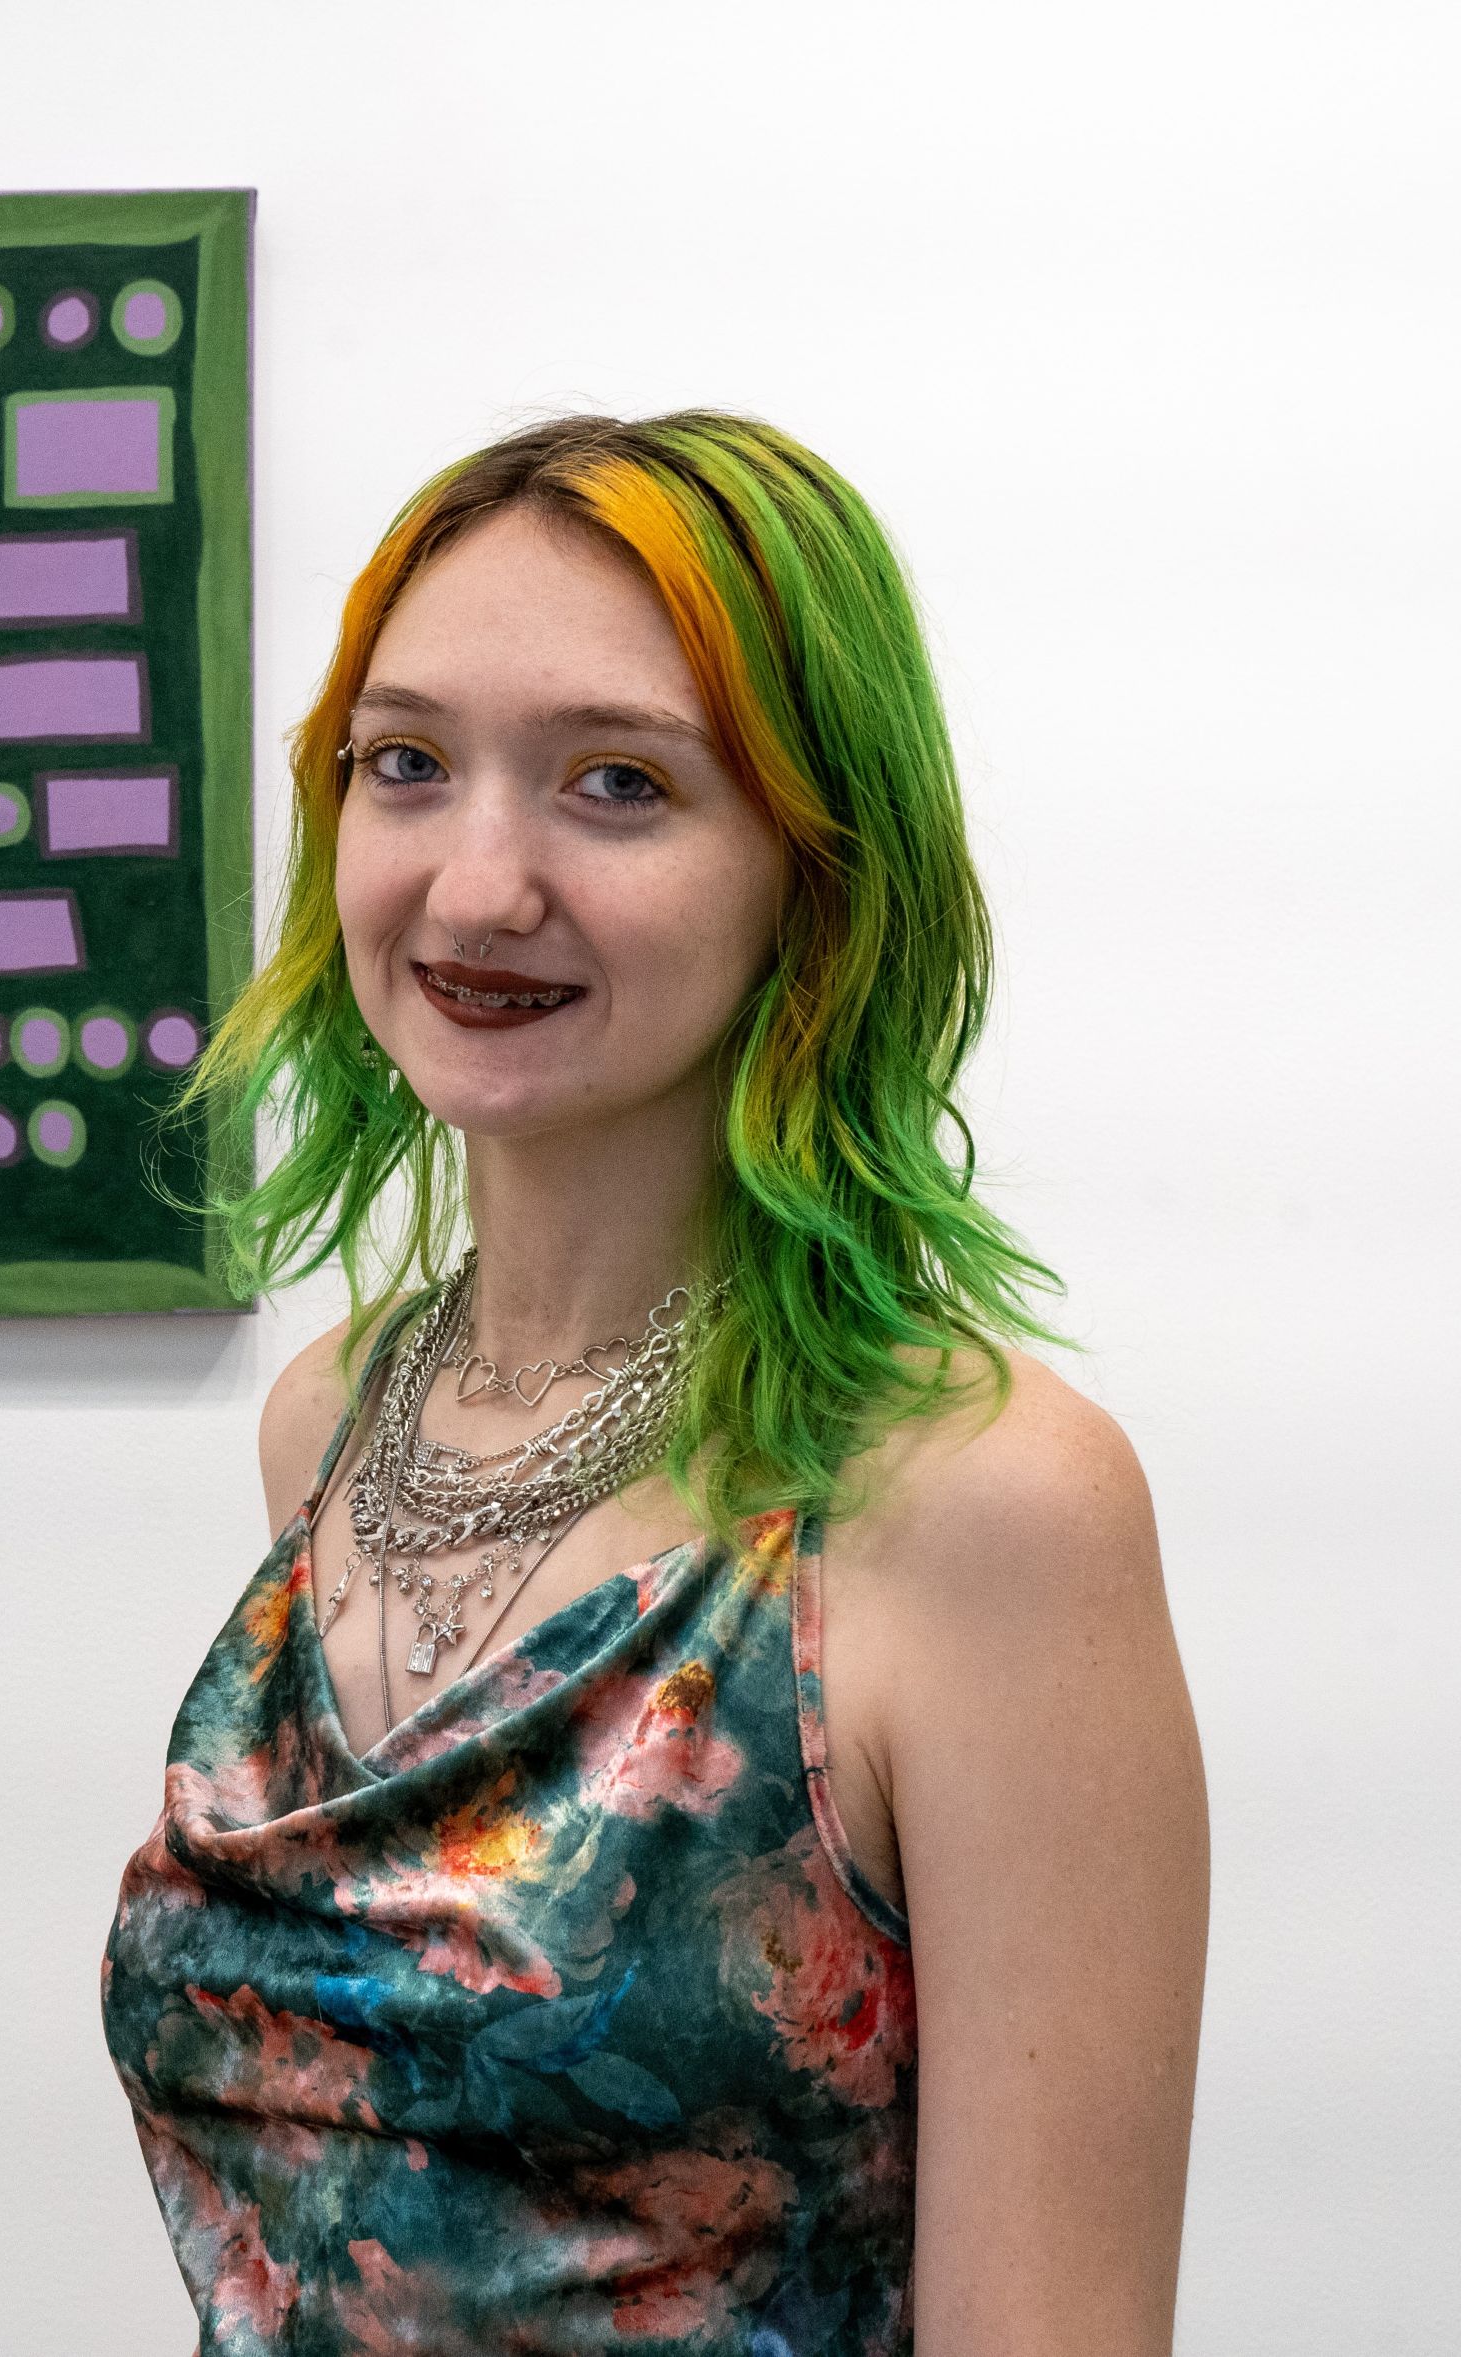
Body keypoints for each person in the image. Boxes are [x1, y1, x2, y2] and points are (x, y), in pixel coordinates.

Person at [102, 413, 1209, 2355]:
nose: (476, 883)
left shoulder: (987, 1504)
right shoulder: (333, 1420)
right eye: (407, 766)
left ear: (815, 867)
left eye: (617, 783)